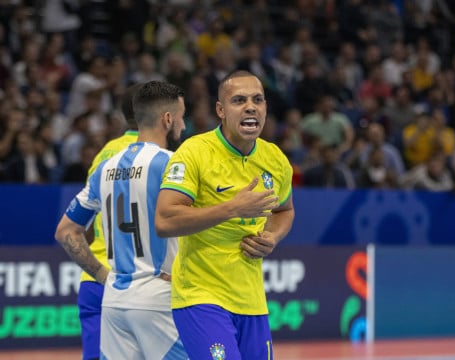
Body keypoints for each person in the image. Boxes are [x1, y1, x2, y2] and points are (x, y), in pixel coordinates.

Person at [155, 70, 295, 359]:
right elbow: (165, 220)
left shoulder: (275, 160)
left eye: (258, 100)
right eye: (239, 100)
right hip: (201, 296)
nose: (250, 107)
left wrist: (272, 236)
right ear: (221, 110)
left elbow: (284, 209)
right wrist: (232, 208)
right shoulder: (194, 152)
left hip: (252, 301)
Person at [55, 81, 188, 359]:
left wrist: (103, 275)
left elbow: (66, 231)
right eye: (181, 117)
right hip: (158, 297)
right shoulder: (172, 164)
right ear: (167, 119)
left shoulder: (105, 165)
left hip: (115, 299)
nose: (183, 125)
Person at [75, 82, 142, 360]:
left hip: (94, 277)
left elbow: (84, 223)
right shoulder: (161, 156)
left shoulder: (104, 153)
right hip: (137, 281)